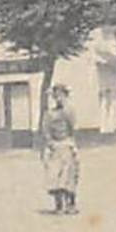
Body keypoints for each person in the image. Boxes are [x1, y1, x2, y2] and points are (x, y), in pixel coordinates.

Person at [39, 84, 80, 214]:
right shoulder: (49, 114)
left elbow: (73, 129)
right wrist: (50, 143)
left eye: (61, 96)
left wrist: (72, 145)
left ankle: (71, 204)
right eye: (56, 96)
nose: (59, 99)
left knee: (70, 175)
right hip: (55, 147)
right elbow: (45, 131)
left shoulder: (69, 112)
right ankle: (59, 205)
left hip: (67, 144)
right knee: (55, 175)